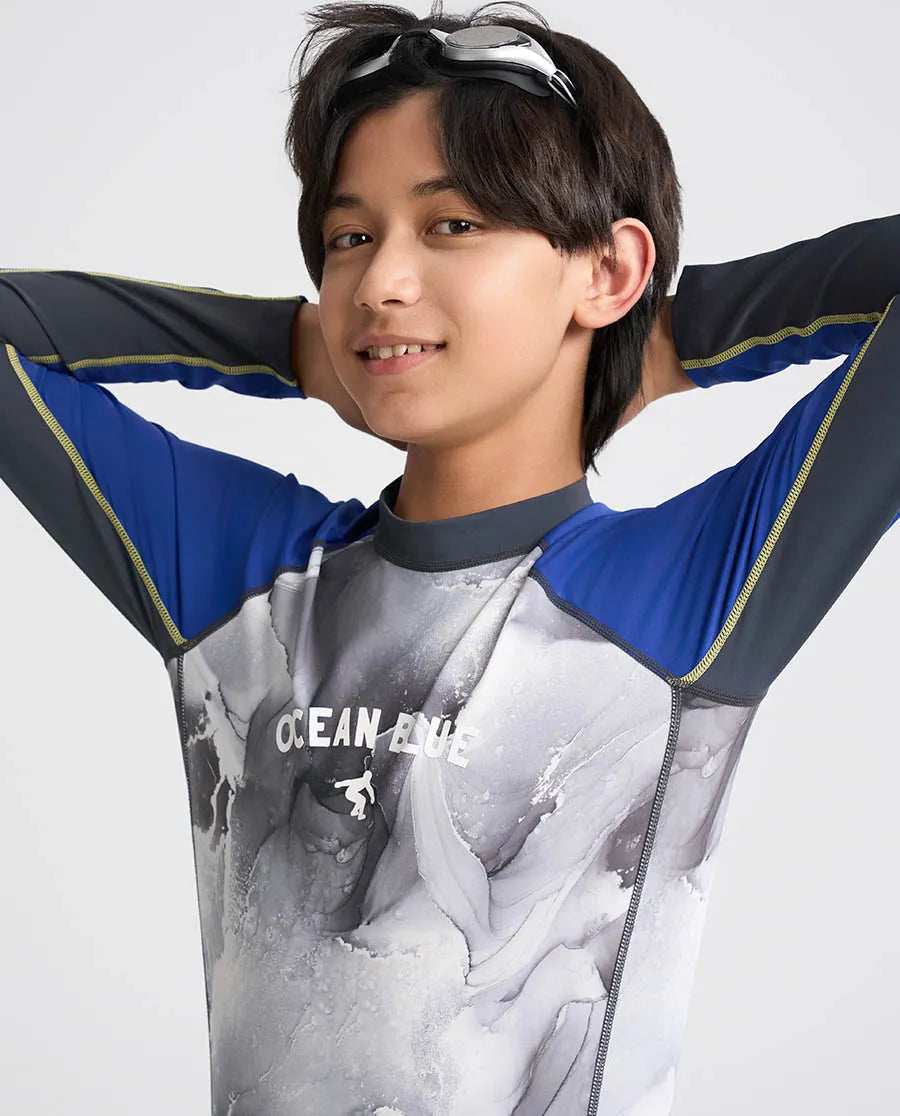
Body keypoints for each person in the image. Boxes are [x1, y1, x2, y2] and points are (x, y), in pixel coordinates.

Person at [1, 1, 897, 1113]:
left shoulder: (677, 598)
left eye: (454, 224)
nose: (381, 281)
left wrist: (667, 337)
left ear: (609, 269)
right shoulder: (249, 585)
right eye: (350, 238)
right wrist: (294, 346)